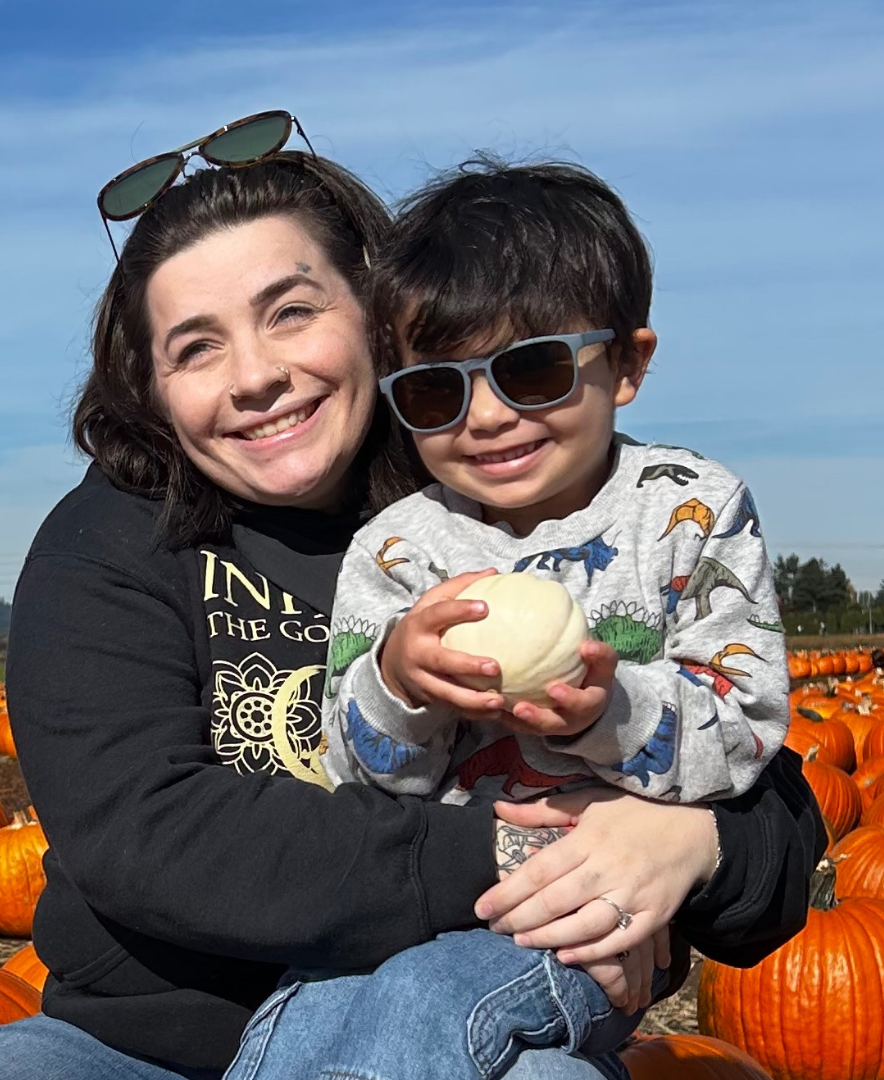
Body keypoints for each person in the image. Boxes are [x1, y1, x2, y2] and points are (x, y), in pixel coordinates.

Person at [0, 129, 824, 1080]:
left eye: (292, 311)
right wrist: (533, 853)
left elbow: (766, 780)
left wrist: (692, 843)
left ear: (376, 316)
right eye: (197, 347)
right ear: (152, 387)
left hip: (453, 1003)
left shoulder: (495, 502)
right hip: (136, 1047)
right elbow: (152, 838)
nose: (256, 374)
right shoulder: (103, 545)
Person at [232, 160, 788, 1080]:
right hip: (410, 899)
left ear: (629, 365)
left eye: (531, 370)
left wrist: (609, 714)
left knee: (420, 1006)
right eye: (435, 391)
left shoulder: (688, 512)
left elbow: (748, 722)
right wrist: (400, 685)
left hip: (570, 918)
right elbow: (363, 772)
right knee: (304, 1021)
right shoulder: (398, 550)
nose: (486, 417)